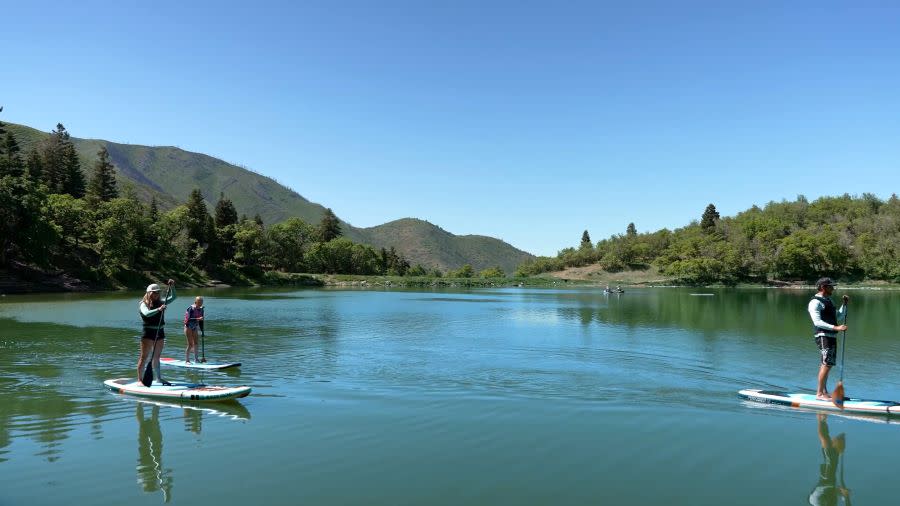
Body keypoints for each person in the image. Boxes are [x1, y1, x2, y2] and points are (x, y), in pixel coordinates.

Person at [807, 277, 848, 400]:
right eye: (831, 286)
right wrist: (836, 328)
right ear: (823, 287)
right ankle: (819, 394)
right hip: (823, 336)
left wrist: (844, 305)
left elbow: (839, 317)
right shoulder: (815, 302)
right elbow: (817, 322)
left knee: (827, 364)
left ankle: (824, 392)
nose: (833, 288)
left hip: (830, 336)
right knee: (826, 364)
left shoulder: (828, 300)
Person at [138, 279, 176, 385]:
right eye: (154, 292)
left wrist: (172, 287)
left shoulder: (161, 301)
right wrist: (159, 310)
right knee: (144, 357)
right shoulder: (143, 304)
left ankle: (158, 379)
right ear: (149, 293)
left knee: (156, 357)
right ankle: (140, 380)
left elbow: (174, 297)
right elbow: (146, 314)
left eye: (158, 292)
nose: (157, 294)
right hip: (148, 333)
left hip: (160, 332)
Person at [183, 296, 204, 364]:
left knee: (196, 343)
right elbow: (188, 319)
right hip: (188, 327)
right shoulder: (190, 309)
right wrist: (197, 319)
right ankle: (187, 360)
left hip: (195, 327)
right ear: (195, 302)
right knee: (190, 344)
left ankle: (196, 359)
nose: (200, 303)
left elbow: (201, 321)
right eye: (199, 302)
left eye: (201, 302)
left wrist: (202, 331)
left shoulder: (201, 309)